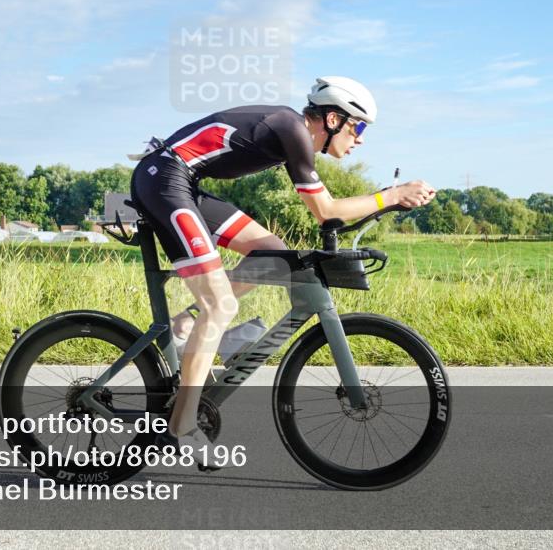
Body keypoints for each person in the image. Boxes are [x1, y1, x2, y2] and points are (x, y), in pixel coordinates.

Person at [128, 76, 436, 461]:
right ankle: (182, 426)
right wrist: (391, 194)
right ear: (334, 119)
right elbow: (326, 210)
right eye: (358, 127)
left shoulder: (293, 133)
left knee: (273, 252)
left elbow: (329, 217)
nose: (360, 139)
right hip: (165, 182)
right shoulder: (292, 129)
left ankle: (185, 325)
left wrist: (391, 204)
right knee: (220, 306)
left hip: (182, 182)